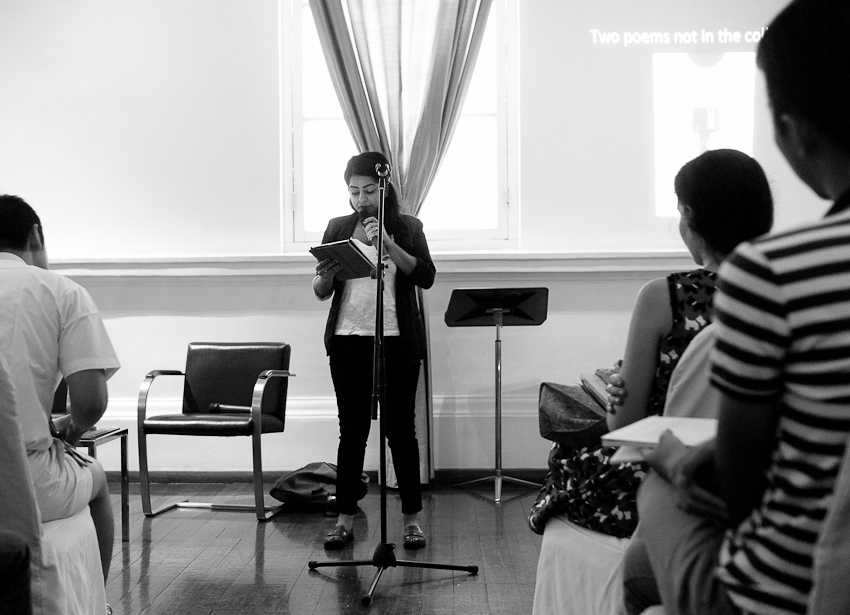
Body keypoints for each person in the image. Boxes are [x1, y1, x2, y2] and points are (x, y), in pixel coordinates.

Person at [622, 1, 850, 613]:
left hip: (784, 591)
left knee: (659, 488)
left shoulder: (771, 273)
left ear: (791, 130)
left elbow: (742, 493)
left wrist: (675, 458)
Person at [528, 149, 773, 540]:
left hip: (676, 473)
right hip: (766, 472)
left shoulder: (665, 296)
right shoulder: (787, 289)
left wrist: (617, 396)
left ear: (690, 214)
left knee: (567, 460)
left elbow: (624, 425)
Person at [312, 151, 436, 550]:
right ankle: (344, 518)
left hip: (397, 341)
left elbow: (426, 276)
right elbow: (320, 291)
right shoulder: (338, 226)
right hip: (349, 339)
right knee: (352, 432)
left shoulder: (408, 227)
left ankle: (411, 520)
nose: (361, 199)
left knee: (401, 432)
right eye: (353, 191)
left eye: (368, 190)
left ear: (384, 189)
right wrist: (325, 277)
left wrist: (387, 242)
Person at [0, 195, 121, 581]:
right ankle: (99, 603)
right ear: (35, 234)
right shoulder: (61, 291)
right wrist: (73, 428)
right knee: (98, 478)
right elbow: (90, 401)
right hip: (20, 480)